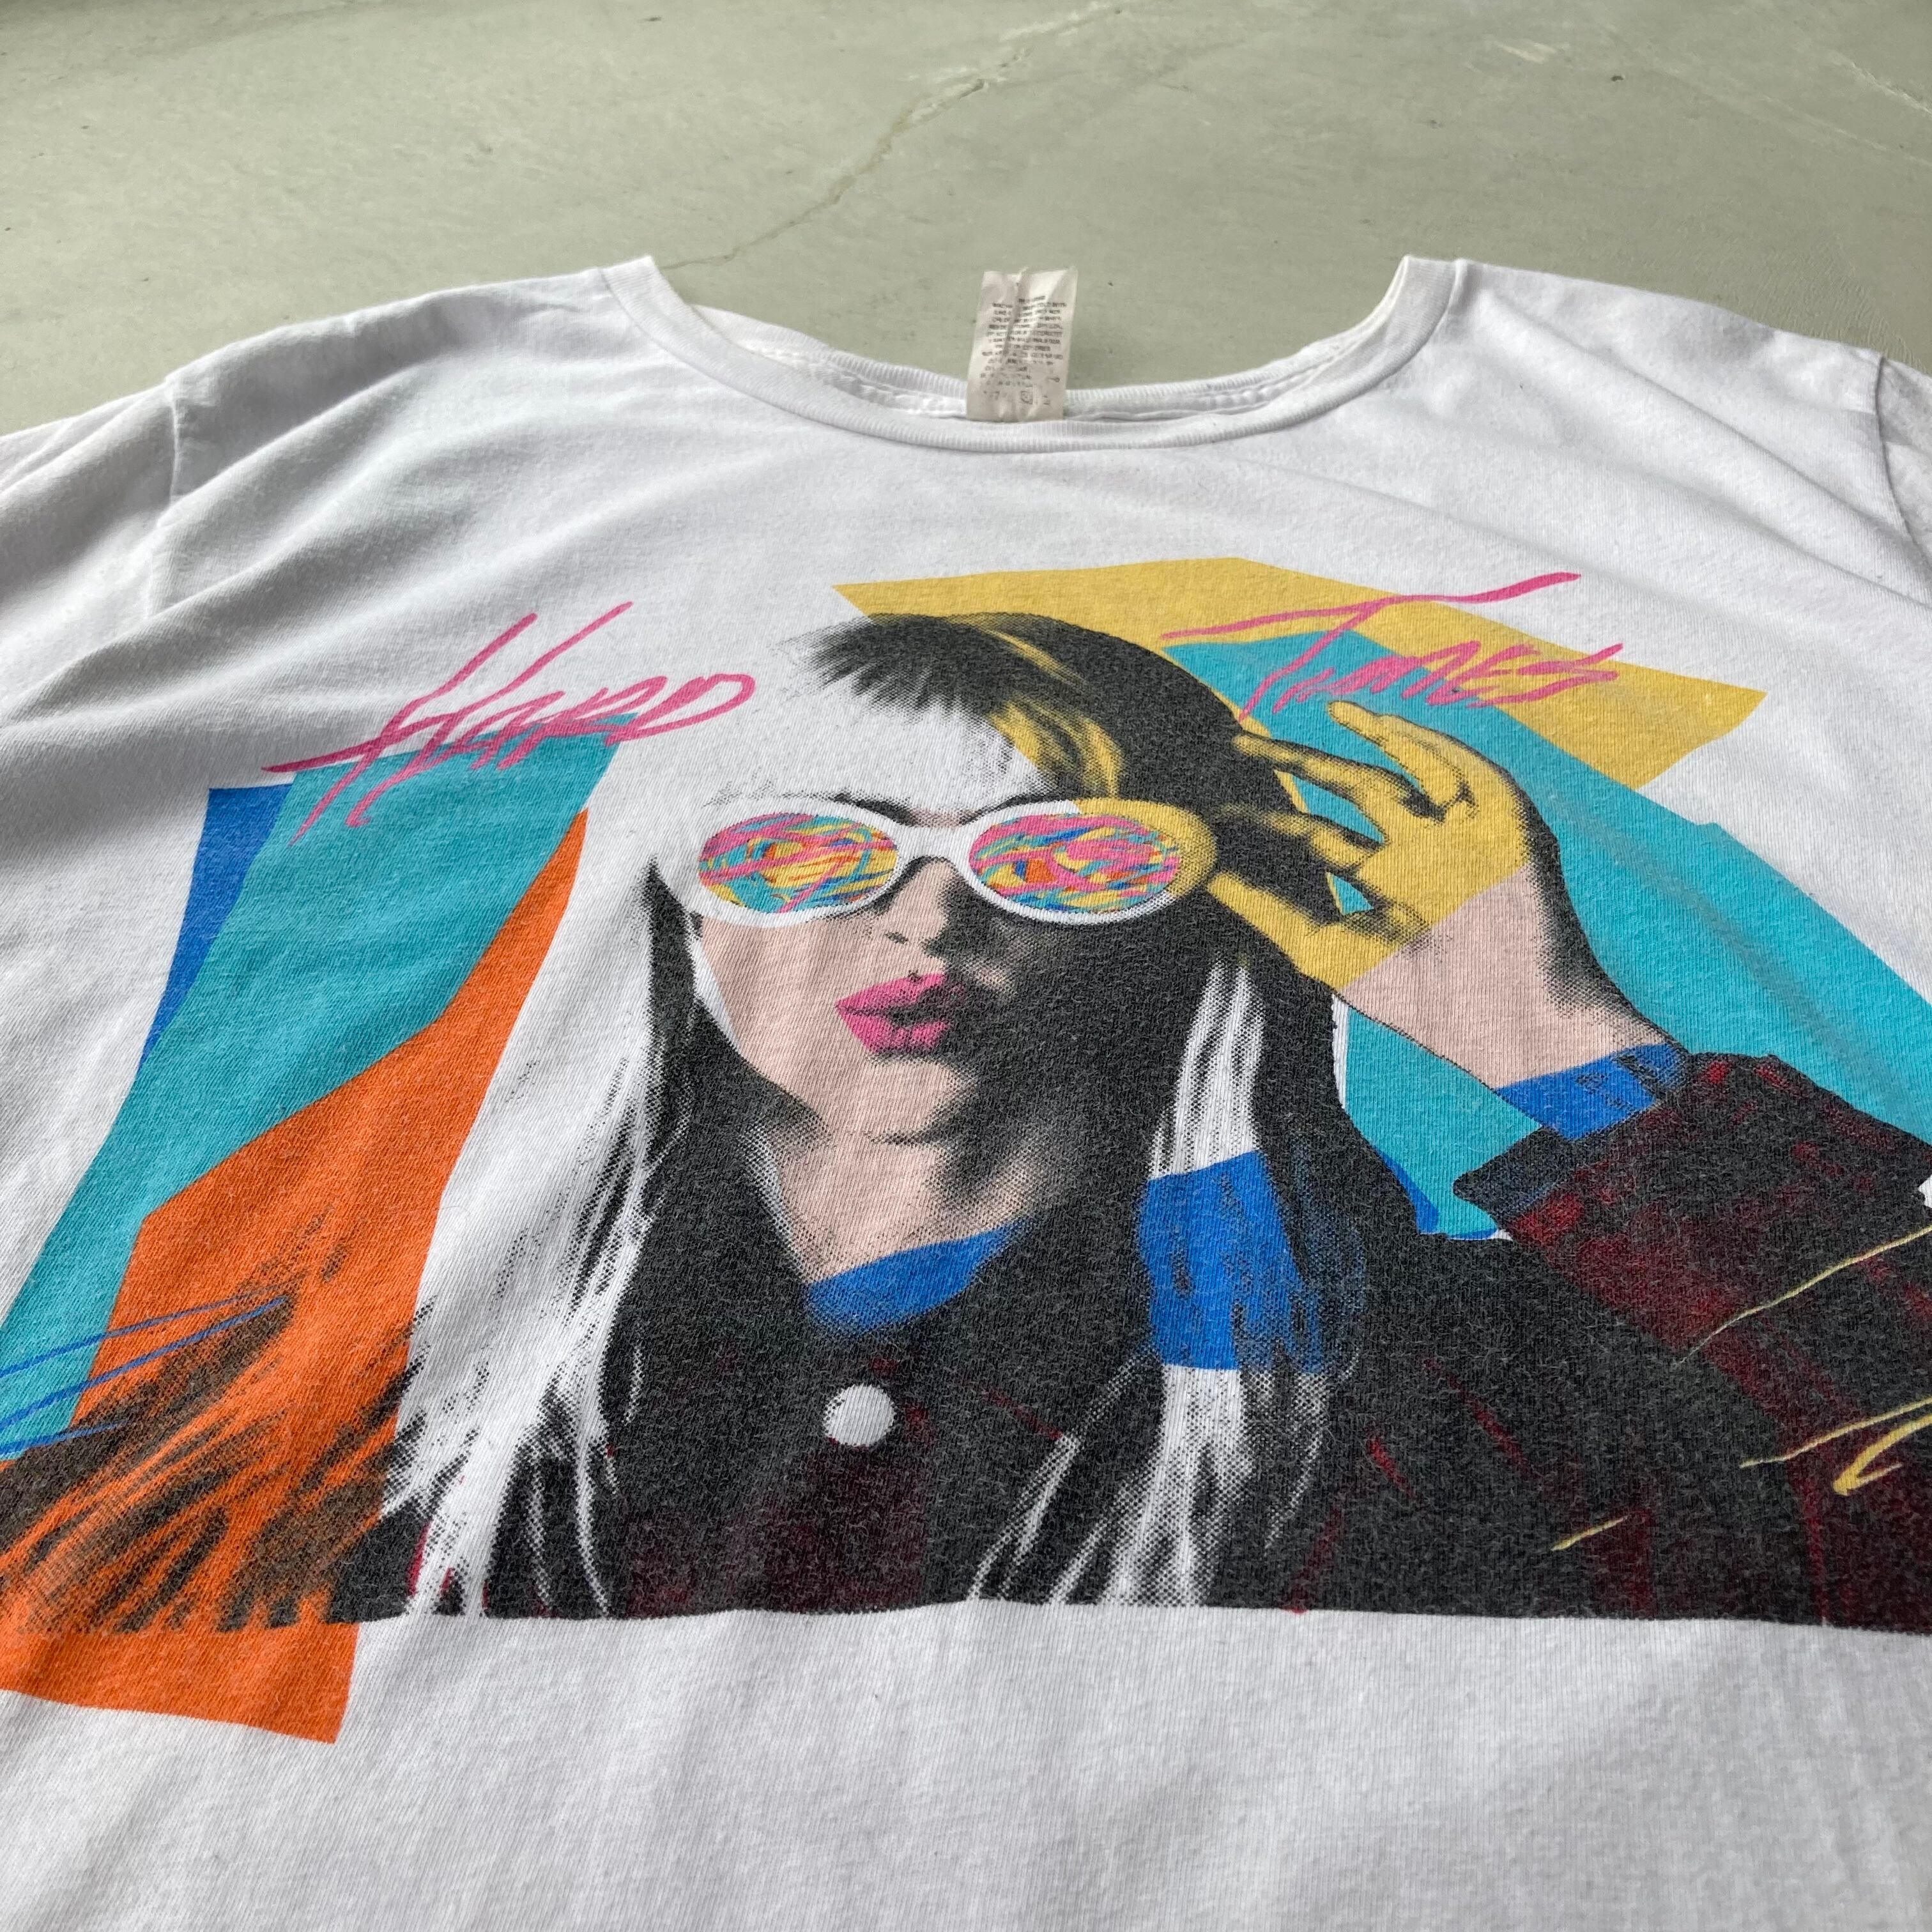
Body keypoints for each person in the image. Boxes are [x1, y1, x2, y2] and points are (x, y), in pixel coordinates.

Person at [9, 612, 1932, 1630]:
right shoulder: (314, 1435)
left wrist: (1553, 1035)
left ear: (1197, 912)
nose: (929, 918)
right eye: (815, 847)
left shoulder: (1479, 1400)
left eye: (1058, 853)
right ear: (683, 913)